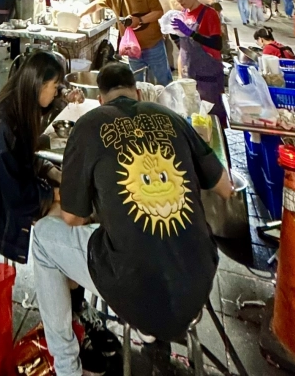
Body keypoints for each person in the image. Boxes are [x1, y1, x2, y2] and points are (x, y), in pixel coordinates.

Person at [31, 61, 233, 376]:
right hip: (197, 277)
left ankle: (68, 369)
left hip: (131, 281)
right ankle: (150, 328)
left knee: (42, 238)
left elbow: (73, 217)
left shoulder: (89, 124)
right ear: (137, 92)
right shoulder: (171, 118)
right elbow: (225, 187)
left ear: (100, 99)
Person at [0, 51, 65, 263]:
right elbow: (16, 193)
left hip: (13, 185)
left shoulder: (20, 104)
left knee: (68, 198)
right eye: (55, 86)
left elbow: (24, 159)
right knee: (68, 218)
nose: (56, 93)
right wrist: (55, 194)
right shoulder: (4, 123)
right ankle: (60, 281)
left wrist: (53, 173)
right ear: (39, 85)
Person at [79, 0, 170, 85]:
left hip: (153, 46)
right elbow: (96, 5)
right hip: (132, 49)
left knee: (163, 80)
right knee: (137, 83)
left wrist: (140, 20)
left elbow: (158, 12)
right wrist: (79, 15)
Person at [169, 0, 226, 125]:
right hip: (189, 75)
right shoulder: (183, 14)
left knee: (212, 119)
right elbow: (184, 47)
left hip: (208, 77)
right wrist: (173, 34)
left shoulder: (209, 14)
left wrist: (191, 33)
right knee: (194, 118)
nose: (179, 1)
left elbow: (216, 44)